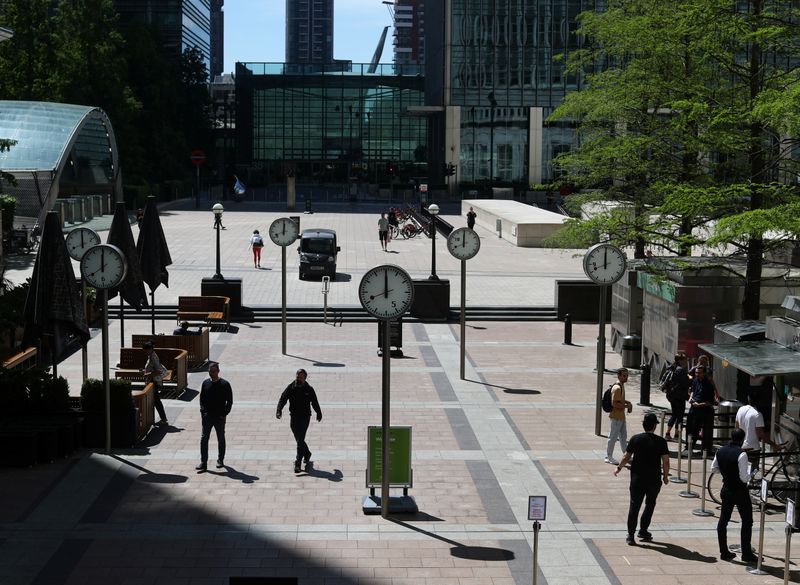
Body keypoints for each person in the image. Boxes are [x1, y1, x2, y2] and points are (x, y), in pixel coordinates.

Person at [614, 413, 670, 546]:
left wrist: (619, 468)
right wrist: (666, 476)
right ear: (655, 426)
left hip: (637, 479)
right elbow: (666, 462)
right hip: (654, 480)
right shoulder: (661, 441)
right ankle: (643, 530)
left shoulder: (635, 439)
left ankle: (630, 535)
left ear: (644, 425)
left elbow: (626, 457)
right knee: (650, 504)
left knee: (634, 505)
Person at [711, 428, 757, 563]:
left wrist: (726, 472)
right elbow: (744, 478)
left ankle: (724, 551)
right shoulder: (741, 454)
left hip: (726, 489)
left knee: (723, 521)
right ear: (742, 439)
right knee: (747, 521)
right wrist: (752, 474)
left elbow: (713, 469)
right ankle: (746, 553)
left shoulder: (720, 451)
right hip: (740, 491)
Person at [276, 369, 323, 473]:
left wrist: (319, 413)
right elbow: (283, 398)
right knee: (299, 439)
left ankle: (298, 462)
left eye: (301, 377)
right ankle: (307, 453)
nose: (298, 378)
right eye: (297, 376)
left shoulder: (309, 389)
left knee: (300, 439)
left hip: (305, 417)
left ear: (305, 378)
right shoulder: (291, 387)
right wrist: (279, 410)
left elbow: (314, 402)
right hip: (294, 416)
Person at [197, 362, 233, 471]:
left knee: (221, 438)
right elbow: (202, 398)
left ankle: (220, 459)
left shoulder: (225, 384)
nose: (211, 373)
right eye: (209, 371)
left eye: (213, 371)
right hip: (207, 416)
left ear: (218, 371)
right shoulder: (205, 383)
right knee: (204, 439)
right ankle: (203, 462)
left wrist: (224, 414)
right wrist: (203, 412)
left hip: (219, 417)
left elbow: (229, 401)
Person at [735, 388, 783, 456]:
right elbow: (761, 434)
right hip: (752, 448)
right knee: (754, 466)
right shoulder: (757, 414)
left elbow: (737, 427)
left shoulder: (740, 409)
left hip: (740, 446)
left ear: (748, 398)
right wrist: (774, 445)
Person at [686, 364, 716, 455]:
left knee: (705, 432)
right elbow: (692, 391)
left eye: (699, 373)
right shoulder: (695, 381)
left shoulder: (708, 385)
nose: (697, 374)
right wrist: (691, 398)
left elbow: (710, 401)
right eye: (696, 373)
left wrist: (699, 405)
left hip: (704, 411)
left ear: (704, 373)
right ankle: (689, 448)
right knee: (691, 429)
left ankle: (706, 450)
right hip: (694, 408)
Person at [606, 368, 633, 465]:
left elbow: (619, 400)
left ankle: (626, 455)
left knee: (623, 437)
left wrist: (627, 402)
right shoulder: (617, 388)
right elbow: (614, 403)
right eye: (624, 376)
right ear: (619, 376)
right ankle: (608, 456)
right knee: (613, 437)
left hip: (621, 417)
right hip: (616, 417)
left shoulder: (621, 386)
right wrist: (626, 406)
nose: (626, 377)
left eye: (627, 375)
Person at [141, 341, 168, 426]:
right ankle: (161, 418)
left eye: (147, 350)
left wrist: (147, 374)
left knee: (156, 401)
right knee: (155, 401)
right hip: (152, 381)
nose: (145, 352)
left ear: (151, 349)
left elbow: (158, 371)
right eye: (145, 350)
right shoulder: (151, 356)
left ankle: (163, 419)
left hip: (153, 382)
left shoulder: (153, 357)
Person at [665, 354, 690, 441]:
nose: (686, 362)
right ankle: (676, 435)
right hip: (679, 396)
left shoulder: (672, 367)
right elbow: (684, 384)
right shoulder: (681, 370)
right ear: (680, 361)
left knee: (674, 414)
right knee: (679, 416)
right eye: (685, 360)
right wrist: (689, 379)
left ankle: (667, 433)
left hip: (672, 395)